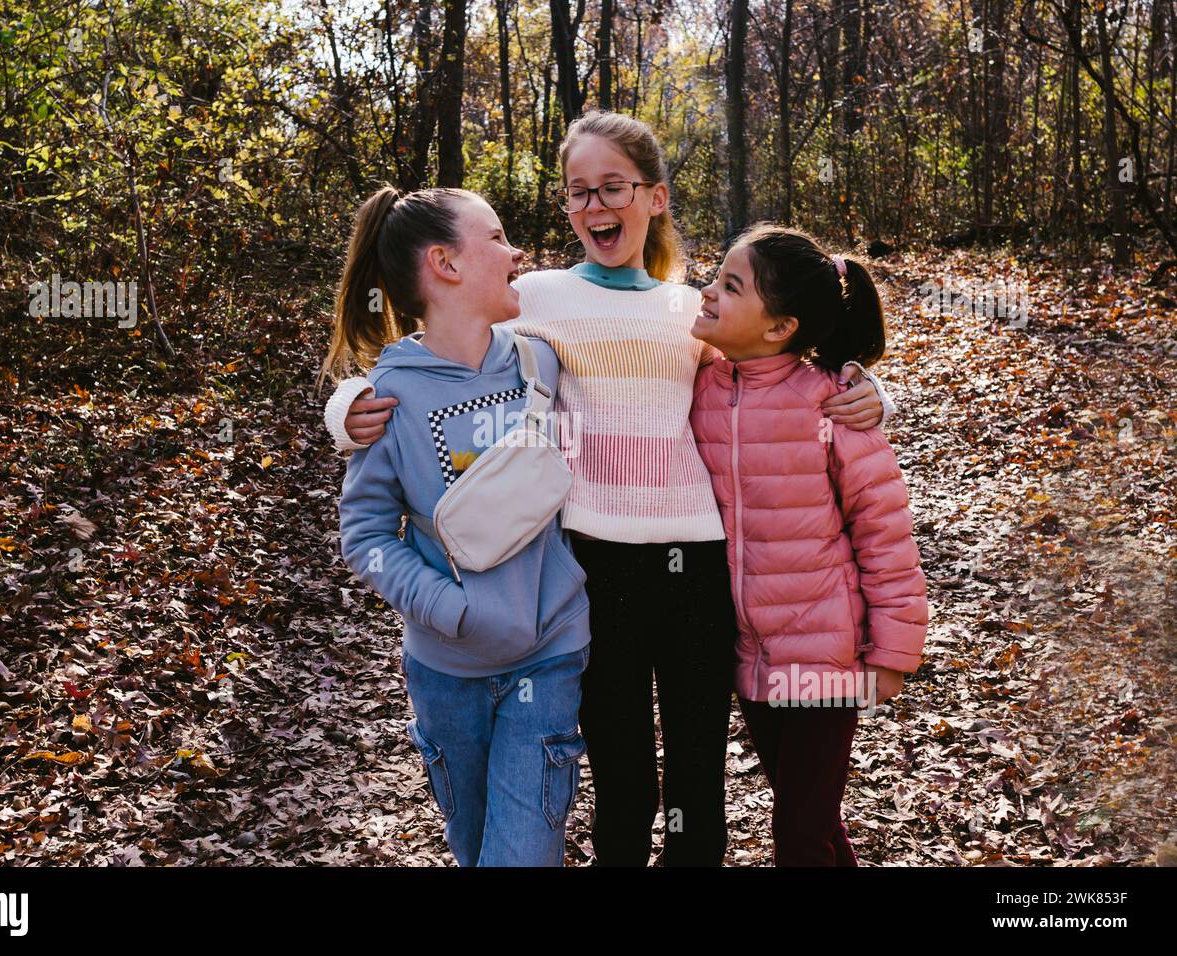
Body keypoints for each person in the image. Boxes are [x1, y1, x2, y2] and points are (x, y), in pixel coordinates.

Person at [322, 111, 893, 866]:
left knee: (697, 778)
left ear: (654, 198)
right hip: (593, 568)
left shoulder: (696, 309)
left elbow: (780, 370)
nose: (595, 207)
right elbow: (442, 351)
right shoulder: (539, 300)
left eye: (613, 187)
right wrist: (345, 407)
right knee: (622, 778)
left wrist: (876, 393)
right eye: (577, 192)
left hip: (697, 566)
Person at [331, 184, 590, 866]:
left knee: (524, 856)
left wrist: (863, 386)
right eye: (498, 237)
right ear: (445, 264)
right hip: (447, 672)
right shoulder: (388, 398)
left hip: (550, 651)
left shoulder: (541, 361)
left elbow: (665, 350)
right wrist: (452, 610)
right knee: (475, 850)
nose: (517, 251)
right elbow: (365, 536)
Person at [688, 223, 928, 866]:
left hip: (825, 652)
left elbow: (884, 530)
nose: (707, 291)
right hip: (750, 651)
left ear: (778, 327)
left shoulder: (832, 403)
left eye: (729, 285)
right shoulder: (698, 382)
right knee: (813, 826)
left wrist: (895, 652)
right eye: (715, 275)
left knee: (797, 834)